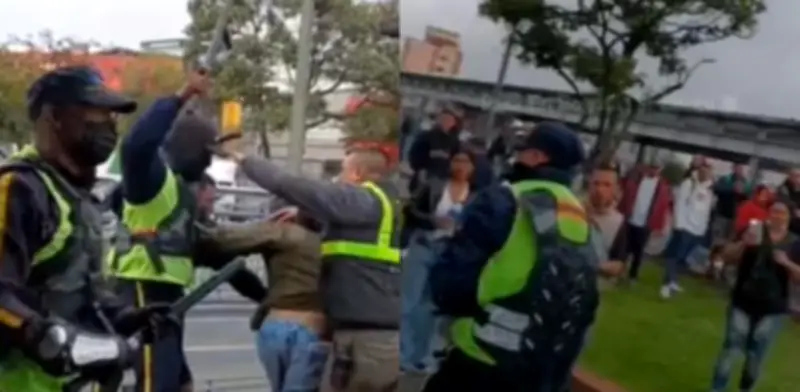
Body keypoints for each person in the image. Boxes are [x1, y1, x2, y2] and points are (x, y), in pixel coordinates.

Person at [0, 66, 174, 392]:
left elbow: (67, 294)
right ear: (54, 116)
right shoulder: (19, 189)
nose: (109, 124)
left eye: (113, 116)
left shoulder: (78, 197)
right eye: (96, 112)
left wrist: (121, 319)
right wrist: (41, 336)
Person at [105, 70, 266, 392]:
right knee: (156, 384)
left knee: (181, 383)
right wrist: (180, 97)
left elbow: (222, 261)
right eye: (206, 153)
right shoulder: (150, 183)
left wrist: (266, 298)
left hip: (168, 300)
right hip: (141, 292)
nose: (208, 164)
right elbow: (136, 145)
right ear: (189, 148)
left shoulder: (182, 199)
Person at [423, 122, 603, 392]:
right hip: (543, 369)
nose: (516, 157)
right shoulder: (578, 213)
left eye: (523, 150)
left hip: (481, 360)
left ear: (538, 157)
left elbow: (450, 285)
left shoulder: (505, 199)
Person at [215, 143, 402, 392]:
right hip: (366, 333)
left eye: (342, 172)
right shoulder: (383, 205)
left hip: (366, 338)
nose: (337, 180)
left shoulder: (363, 200)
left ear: (357, 174)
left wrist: (245, 160)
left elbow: (292, 185)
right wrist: (303, 214)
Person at [229, 206, 330, 392]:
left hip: (272, 327)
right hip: (310, 328)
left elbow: (234, 239)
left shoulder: (280, 238)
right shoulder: (328, 245)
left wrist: (268, 223)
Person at [711, 201, 800, 392]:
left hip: (773, 309)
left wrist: (787, 263)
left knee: (755, 357)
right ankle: (717, 389)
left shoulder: (795, 243)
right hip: (743, 302)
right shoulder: (753, 232)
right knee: (730, 349)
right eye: (773, 211)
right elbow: (727, 256)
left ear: (788, 217)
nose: (776, 216)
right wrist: (744, 243)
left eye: (781, 212)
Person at [402, 147, 476, 373]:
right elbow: (411, 209)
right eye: (457, 160)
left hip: (448, 252)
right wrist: (433, 221)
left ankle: (420, 356)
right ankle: (403, 355)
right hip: (423, 245)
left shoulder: (476, 196)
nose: (460, 166)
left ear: (473, 167)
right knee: (408, 301)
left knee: (429, 306)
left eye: (465, 162)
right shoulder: (434, 185)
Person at [662, 159, 716, 299]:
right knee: (675, 255)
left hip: (697, 230)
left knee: (684, 258)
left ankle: (673, 280)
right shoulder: (689, 183)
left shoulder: (709, 189)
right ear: (700, 169)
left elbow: (706, 212)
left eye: (709, 169)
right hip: (684, 226)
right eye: (704, 169)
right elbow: (679, 204)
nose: (707, 172)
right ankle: (668, 282)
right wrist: (679, 225)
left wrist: (702, 229)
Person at [617, 162, 671, 283]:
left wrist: (659, 226)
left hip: (645, 224)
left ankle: (633, 276)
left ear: (660, 170)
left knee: (638, 251)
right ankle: (619, 272)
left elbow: (663, 207)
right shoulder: (637, 181)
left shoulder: (661, 187)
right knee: (623, 248)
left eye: (656, 168)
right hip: (630, 219)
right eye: (652, 167)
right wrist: (621, 213)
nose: (653, 170)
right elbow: (626, 197)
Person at [584, 163, 627, 277]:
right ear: (589, 185)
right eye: (596, 183)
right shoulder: (572, 209)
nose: (599, 189)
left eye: (606, 185)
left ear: (616, 189)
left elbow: (619, 264)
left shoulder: (619, 223)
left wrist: (594, 265)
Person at [408, 104, 463, 187]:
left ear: (454, 122)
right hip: (426, 178)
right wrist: (420, 170)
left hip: (444, 180)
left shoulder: (455, 142)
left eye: (449, 119)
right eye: (443, 119)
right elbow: (415, 154)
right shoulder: (427, 136)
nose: (446, 122)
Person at [714, 164, 753, 239]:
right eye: (737, 167)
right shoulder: (725, 179)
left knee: (730, 240)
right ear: (733, 168)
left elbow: (749, 199)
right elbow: (717, 189)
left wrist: (743, 192)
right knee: (718, 239)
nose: (739, 170)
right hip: (722, 215)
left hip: (735, 219)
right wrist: (732, 189)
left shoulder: (746, 184)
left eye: (741, 168)